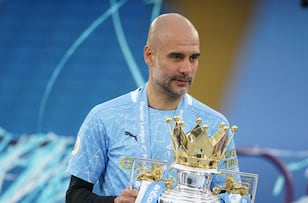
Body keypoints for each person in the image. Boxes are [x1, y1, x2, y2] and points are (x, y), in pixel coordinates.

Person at [66, 13, 239, 203]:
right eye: (176, 57)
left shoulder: (215, 125)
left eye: (193, 58)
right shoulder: (104, 118)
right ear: (149, 55)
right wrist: (115, 202)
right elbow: (75, 195)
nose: (187, 69)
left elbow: (232, 195)